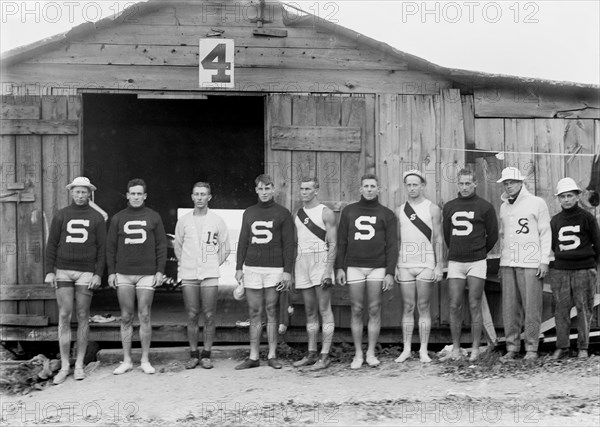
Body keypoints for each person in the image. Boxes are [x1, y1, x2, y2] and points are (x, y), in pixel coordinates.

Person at [45, 177, 106, 384]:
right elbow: (52, 244)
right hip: (63, 270)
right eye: (77, 192)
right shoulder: (61, 215)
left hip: (85, 272)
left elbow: (102, 249)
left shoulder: (96, 217)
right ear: (71, 192)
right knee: (64, 314)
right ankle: (64, 365)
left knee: (82, 314)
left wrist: (98, 273)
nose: (80, 195)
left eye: (84, 192)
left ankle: (79, 364)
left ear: (89, 193)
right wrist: (50, 271)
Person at [335, 174, 398, 369]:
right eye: (366, 186)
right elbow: (342, 241)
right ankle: (358, 354)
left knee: (374, 309)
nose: (369, 189)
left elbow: (392, 246)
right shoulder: (349, 211)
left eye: (373, 186)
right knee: (356, 309)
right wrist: (339, 267)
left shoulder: (387, 214)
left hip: (377, 266)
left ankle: (370, 352)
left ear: (379, 189)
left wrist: (389, 271)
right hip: (354, 265)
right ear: (360, 189)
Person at [107, 178, 167, 374]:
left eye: (139, 193)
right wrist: (111, 272)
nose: (135, 197)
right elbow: (110, 248)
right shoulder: (118, 218)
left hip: (147, 273)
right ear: (127, 195)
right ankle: (126, 360)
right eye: (132, 193)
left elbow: (161, 245)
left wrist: (160, 270)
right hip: (123, 272)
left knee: (144, 315)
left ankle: (145, 359)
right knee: (125, 316)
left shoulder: (154, 217)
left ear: (145, 196)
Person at [235, 174, 295, 369]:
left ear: (273, 190)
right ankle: (253, 356)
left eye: (267, 188)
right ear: (256, 190)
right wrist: (238, 267)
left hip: (274, 268)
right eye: (261, 189)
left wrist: (287, 271)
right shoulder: (249, 212)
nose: (264, 192)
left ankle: (271, 354)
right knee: (254, 311)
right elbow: (243, 241)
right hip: (252, 267)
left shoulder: (283, 213)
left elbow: (288, 244)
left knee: (271, 310)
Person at [442, 168, 498, 361]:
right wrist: (458, 250)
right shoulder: (449, 206)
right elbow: (447, 235)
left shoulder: (485, 207)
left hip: (477, 261)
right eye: (461, 183)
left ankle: (475, 348)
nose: (464, 187)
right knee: (454, 304)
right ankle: (456, 349)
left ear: (475, 184)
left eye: (468, 183)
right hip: (456, 261)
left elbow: (493, 234)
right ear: (457, 184)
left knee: (475, 304)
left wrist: (479, 251)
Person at [497, 167, 551, 361]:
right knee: (510, 307)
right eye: (505, 183)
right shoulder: (504, 206)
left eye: (512, 182)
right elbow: (503, 235)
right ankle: (512, 347)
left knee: (532, 307)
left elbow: (545, 233)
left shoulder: (537, 203)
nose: (508, 185)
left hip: (530, 262)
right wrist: (503, 262)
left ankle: (531, 347)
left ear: (521, 183)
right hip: (508, 262)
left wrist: (544, 260)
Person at [174, 182, 230, 369]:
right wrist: (187, 263)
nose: (199, 198)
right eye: (196, 194)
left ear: (209, 197)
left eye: (203, 194)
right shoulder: (183, 221)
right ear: (192, 196)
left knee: (209, 314)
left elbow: (225, 247)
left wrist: (212, 263)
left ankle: (206, 353)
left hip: (209, 274)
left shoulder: (216, 220)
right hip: (189, 273)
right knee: (191, 314)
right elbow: (178, 247)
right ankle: (193, 354)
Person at [395, 170, 443, 363]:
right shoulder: (399, 210)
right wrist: (396, 266)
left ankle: (423, 349)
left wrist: (439, 265)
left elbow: (438, 239)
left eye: (416, 184)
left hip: (426, 263)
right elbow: (397, 240)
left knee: (423, 306)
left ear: (422, 185)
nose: (412, 188)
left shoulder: (432, 209)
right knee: (408, 306)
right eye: (409, 185)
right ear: (405, 186)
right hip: (405, 263)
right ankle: (406, 349)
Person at [549, 177, 600, 359]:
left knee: (584, 308)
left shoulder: (587, 218)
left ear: (577, 196)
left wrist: (592, 266)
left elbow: (597, 243)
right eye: (562, 196)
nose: (566, 200)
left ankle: (583, 347)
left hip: (584, 269)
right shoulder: (555, 220)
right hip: (561, 270)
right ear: (559, 199)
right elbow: (554, 245)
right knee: (561, 308)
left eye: (570, 196)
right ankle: (562, 346)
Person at [292, 177, 337, 370]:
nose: (304, 192)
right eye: (302, 189)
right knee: (310, 311)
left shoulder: (325, 212)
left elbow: (333, 243)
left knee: (324, 309)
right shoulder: (298, 213)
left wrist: (328, 270)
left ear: (316, 191)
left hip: (320, 261)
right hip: (302, 261)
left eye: (308, 189)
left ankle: (325, 355)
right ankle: (311, 353)